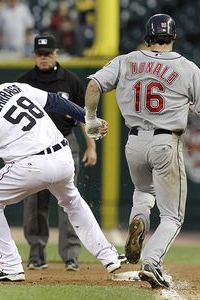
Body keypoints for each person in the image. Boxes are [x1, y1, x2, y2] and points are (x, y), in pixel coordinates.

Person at [0, 67, 126, 282]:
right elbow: (57, 103)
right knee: (72, 201)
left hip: (33, 164)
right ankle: (109, 256)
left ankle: (10, 266)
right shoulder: (12, 87)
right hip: (63, 156)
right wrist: (88, 118)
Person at [84, 13, 200, 289]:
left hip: (134, 141)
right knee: (172, 215)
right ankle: (152, 262)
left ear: (148, 37)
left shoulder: (127, 60)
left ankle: (139, 219)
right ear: (173, 37)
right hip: (165, 141)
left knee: (143, 192)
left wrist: (90, 119)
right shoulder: (187, 68)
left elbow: (93, 85)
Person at [17, 33, 97, 271]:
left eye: (47, 54)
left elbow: (85, 116)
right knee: (34, 202)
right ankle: (36, 255)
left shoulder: (70, 80)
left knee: (69, 201)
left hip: (64, 142)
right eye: (39, 54)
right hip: (33, 147)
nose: (43, 58)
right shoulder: (23, 82)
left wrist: (91, 146)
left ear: (56, 53)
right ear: (34, 55)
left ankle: (70, 256)